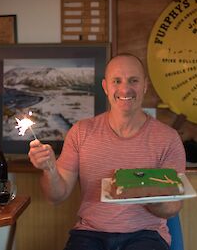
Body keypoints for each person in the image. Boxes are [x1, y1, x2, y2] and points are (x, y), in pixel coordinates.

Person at [28, 53, 186, 250]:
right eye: (117, 81)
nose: (125, 88)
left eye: (133, 80)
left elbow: (172, 208)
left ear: (145, 85)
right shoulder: (80, 132)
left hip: (146, 235)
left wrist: (139, 192)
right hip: (90, 235)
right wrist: (50, 169)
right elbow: (56, 197)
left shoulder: (168, 138)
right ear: (105, 86)